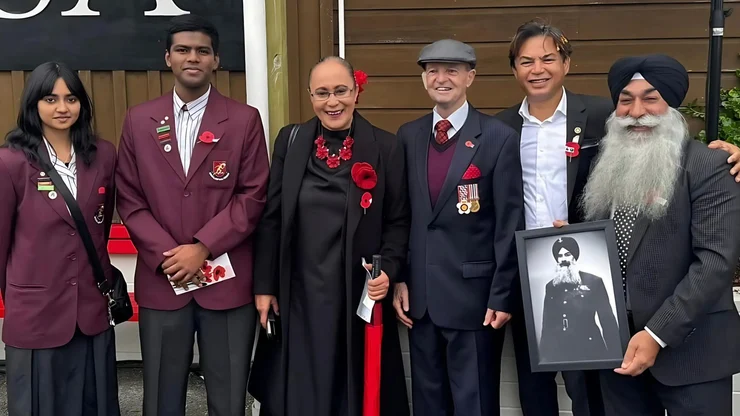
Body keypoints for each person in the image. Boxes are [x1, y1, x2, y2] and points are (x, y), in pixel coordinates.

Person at [115, 15, 270, 415]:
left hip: (226, 283)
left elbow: (253, 195)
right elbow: (129, 198)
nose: (193, 58)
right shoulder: (139, 120)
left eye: (202, 51)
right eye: (183, 50)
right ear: (168, 57)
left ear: (216, 60)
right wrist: (170, 255)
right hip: (163, 280)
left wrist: (202, 247)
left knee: (229, 399)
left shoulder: (244, 119)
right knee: (161, 399)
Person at [247, 56, 411, 416]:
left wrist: (389, 270)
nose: (332, 102)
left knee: (351, 386)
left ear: (356, 92)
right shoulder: (290, 141)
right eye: (322, 93)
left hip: (354, 292)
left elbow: (398, 221)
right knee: (299, 386)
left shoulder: (385, 147)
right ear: (310, 96)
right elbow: (271, 218)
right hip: (298, 293)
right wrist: (264, 286)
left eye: (341, 91)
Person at [579, 53, 740, 415]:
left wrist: (656, 334)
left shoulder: (709, 166)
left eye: (650, 98)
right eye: (625, 100)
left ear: (672, 105)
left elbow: (714, 262)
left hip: (693, 354)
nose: (636, 112)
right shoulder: (604, 167)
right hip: (617, 351)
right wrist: (573, 239)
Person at [393, 39, 524, 416]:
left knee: (475, 404)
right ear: (424, 79)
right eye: (432, 71)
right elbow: (402, 216)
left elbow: (509, 223)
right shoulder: (408, 136)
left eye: (452, 70)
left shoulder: (497, 137)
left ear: (470, 77)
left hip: (475, 301)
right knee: (428, 404)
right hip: (421, 301)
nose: (441, 78)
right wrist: (400, 278)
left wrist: (502, 295)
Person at [494, 19, 613, 416]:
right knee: (534, 382)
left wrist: (720, 153)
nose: (537, 69)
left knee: (587, 382)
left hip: (583, 261)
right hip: (525, 268)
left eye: (547, 59)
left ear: (566, 63)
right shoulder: (500, 128)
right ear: (514, 69)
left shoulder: (600, 115)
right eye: (526, 61)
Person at [0, 62, 120, 415]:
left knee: (93, 403)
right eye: (50, 99)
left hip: (91, 308)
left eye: (71, 98)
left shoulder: (102, 155)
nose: (62, 107)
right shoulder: (10, 162)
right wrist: (20, 298)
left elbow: (98, 229)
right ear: (33, 104)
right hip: (36, 312)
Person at [539, 237, 620, 363]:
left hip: (591, 346)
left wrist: (616, 354)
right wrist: (544, 356)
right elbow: (547, 323)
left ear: (574, 257)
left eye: (567, 254)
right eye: (560, 256)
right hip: (564, 350)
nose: (564, 259)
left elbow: (607, 320)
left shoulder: (594, 281)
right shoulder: (551, 286)